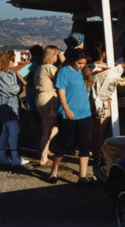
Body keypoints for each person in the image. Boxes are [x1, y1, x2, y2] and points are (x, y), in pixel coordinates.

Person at [48, 48, 94, 185]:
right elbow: (60, 93)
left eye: (84, 63)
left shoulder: (85, 72)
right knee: (63, 143)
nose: (82, 65)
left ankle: (83, 176)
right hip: (68, 114)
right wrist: (66, 109)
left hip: (85, 114)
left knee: (85, 145)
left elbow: (88, 91)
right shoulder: (64, 72)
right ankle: (54, 170)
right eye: (79, 63)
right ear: (73, 60)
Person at [0, 50, 29, 166]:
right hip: (5, 104)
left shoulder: (10, 73)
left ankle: (2, 156)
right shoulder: (0, 75)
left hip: (12, 103)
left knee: (6, 130)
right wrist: (19, 87)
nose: (14, 62)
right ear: (6, 61)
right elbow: (11, 90)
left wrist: (18, 87)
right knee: (14, 129)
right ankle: (15, 157)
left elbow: (17, 88)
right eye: (12, 60)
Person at [34, 45, 65, 166]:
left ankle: (44, 150)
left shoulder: (40, 67)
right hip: (48, 98)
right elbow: (61, 78)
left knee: (48, 128)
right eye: (57, 55)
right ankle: (44, 155)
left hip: (40, 97)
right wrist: (64, 62)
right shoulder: (49, 68)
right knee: (51, 129)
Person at [17, 45, 44, 112]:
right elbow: (18, 74)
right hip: (32, 92)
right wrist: (26, 83)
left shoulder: (41, 64)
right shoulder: (31, 65)